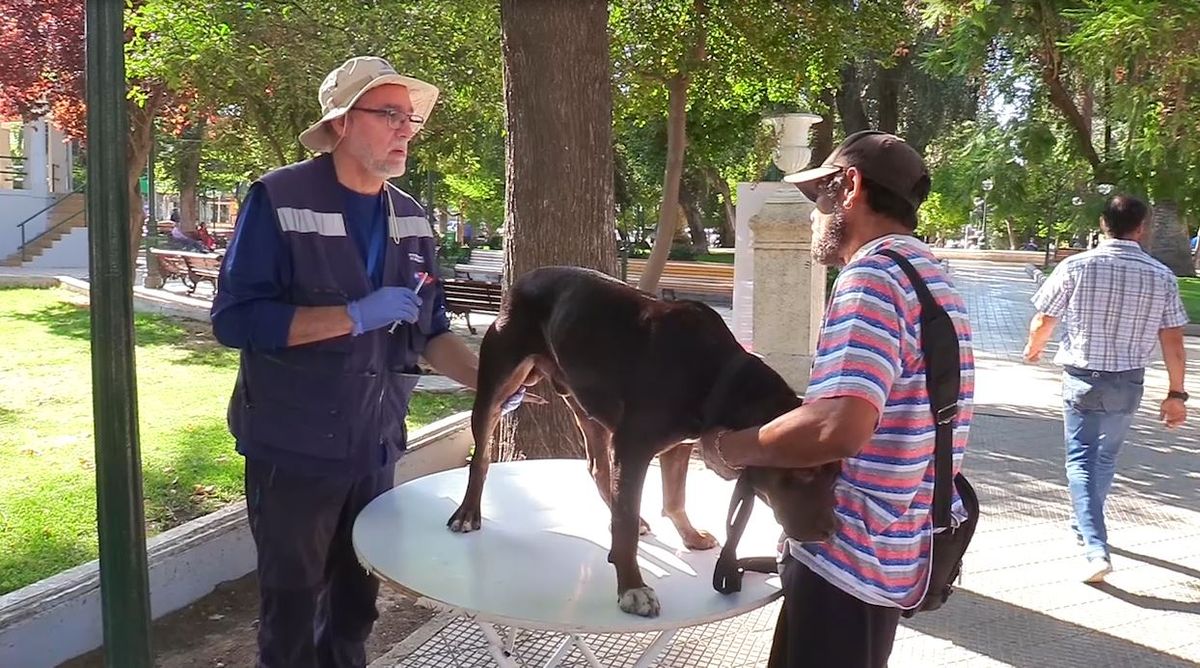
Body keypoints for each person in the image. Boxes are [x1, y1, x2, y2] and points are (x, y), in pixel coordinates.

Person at [211, 56, 527, 668]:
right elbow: (236, 320)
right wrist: (353, 315)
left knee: (356, 603)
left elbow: (429, 331)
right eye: (389, 114)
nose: (406, 128)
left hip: (374, 445)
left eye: (410, 118)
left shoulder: (410, 216)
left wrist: (491, 383)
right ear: (341, 123)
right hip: (293, 449)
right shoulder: (279, 199)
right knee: (292, 608)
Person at [698, 130, 975, 668]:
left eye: (818, 197)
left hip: (847, 557)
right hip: (895, 549)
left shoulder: (872, 276)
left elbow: (836, 427)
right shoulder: (930, 278)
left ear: (850, 186)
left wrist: (726, 447)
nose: (814, 215)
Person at [1023, 195, 1188, 583]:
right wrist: (1176, 394)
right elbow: (1173, 341)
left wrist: (1034, 348)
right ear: (1142, 227)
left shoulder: (1076, 266)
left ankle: (1096, 548)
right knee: (1105, 458)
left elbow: (1044, 319)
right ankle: (1085, 523)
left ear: (1103, 224)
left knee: (1080, 461)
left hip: (1083, 378)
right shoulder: (1161, 275)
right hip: (1128, 382)